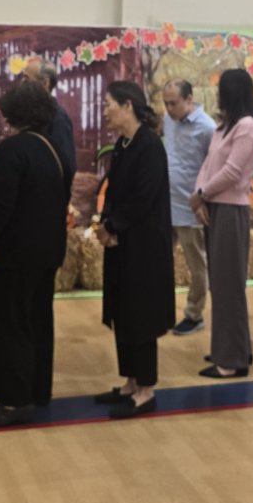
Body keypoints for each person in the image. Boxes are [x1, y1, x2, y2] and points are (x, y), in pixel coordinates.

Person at [0, 80, 71, 427]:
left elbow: (1, 205)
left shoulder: (12, 150)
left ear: (12, 113)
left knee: (9, 322)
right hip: (49, 249)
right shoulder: (53, 150)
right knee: (38, 319)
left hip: (17, 251)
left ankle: (15, 399)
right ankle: (37, 389)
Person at [93, 81, 174, 419]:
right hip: (122, 241)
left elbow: (144, 197)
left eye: (109, 104)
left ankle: (146, 390)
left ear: (128, 106)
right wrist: (105, 224)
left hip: (144, 245)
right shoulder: (123, 144)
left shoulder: (149, 145)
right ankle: (130, 381)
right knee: (123, 311)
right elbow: (113, 193)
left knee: (140, 314)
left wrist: (113, 227)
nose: (105, 111)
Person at [192, 68, 253, 377]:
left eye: (221, 89)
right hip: (214, 205)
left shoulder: (247, 126)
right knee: (220, 284)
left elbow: (232, 172)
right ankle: (234, 349)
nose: (217, 94)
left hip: (231, 210)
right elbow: (208, 165)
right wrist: (200, 197)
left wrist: (202, 194)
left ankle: (231, 360)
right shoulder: (224, 126)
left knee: (228, 285)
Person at [161, 79, 216, 336]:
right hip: (166, 203)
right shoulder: (168, 120)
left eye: (174, 103)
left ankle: (194, 315)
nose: (169, 108)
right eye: (166, 103)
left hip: (191, 208)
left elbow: (213, 168)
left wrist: (202, 200)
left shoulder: (207, 128)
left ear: (189, 99)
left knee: (197, 266)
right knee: (160, 260)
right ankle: (161, 309)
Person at [23, 59, 77, 189]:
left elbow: (66, 167)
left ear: (45, 83)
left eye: (26, 79)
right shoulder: (27, 114)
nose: (21, 83)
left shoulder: (58, 119)